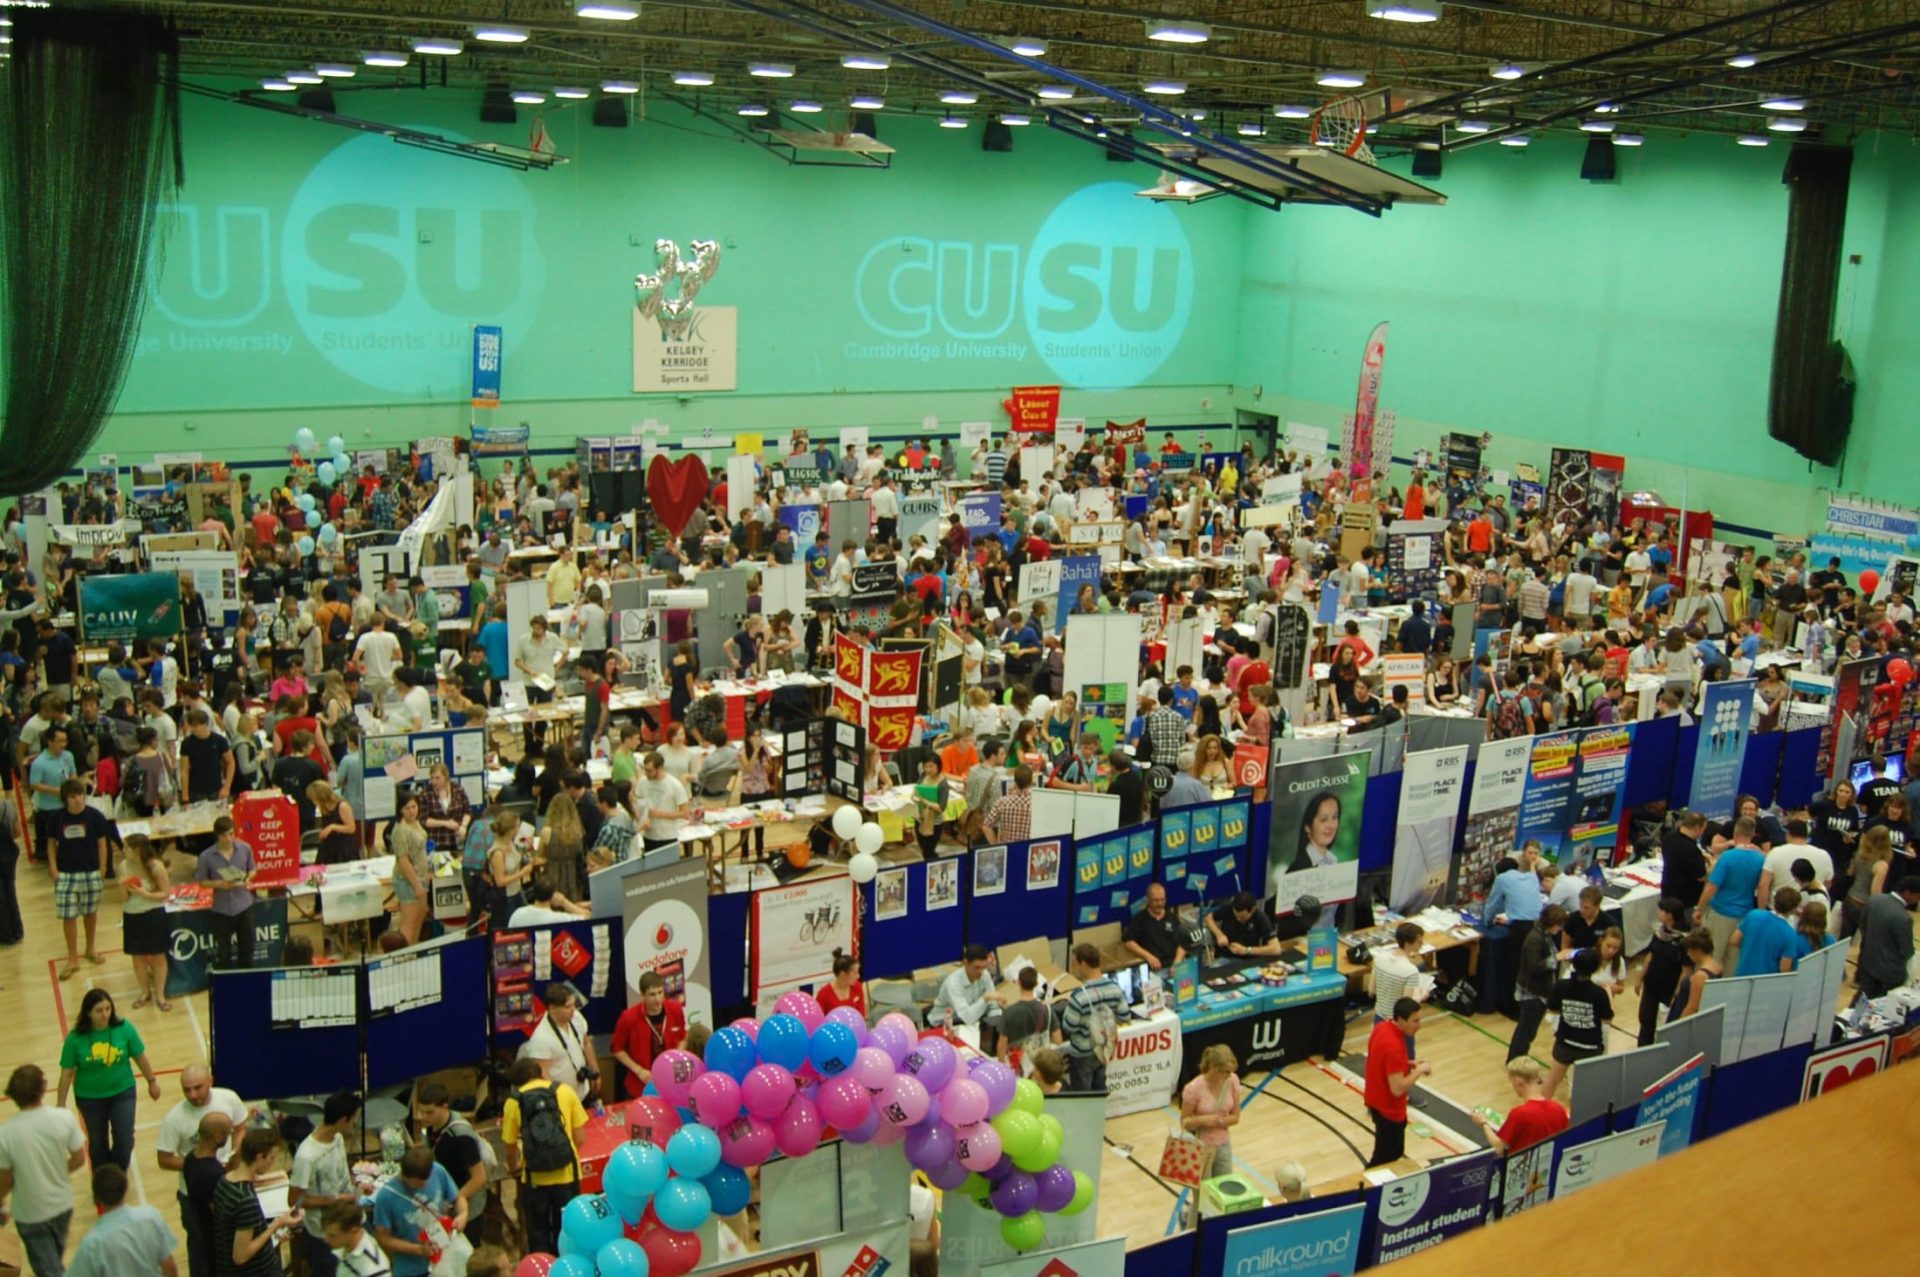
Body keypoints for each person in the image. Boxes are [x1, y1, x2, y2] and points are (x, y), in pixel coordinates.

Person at [157, 1066, 251, 1277]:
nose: (193, 1095)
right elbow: (164, 1159)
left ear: (210, 1081)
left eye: (198, 1088)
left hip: (227, 1187)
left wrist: (235, 1153)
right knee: (200, 1250)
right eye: (187, 1090)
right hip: (193, 1196)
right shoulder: (175, 1119)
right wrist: (200, 1166)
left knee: (228, 1245)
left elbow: (241, 1127)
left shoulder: (228, 1098)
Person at [57, 989, 160, 1171]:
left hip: (123, 1093)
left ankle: (117, 1175)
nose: (105, 1014)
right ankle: (102, 1178)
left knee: (125, 1138)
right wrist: (61, 1105)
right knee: (97, 1142)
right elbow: (66, 1073)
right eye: (99, 1010)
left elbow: (139, 1056)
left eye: (107, 1009)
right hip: (90, 1098)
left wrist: (152, 1081)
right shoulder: (74, 1039)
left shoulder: (124, 1028)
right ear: (88, 1013)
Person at [0, 1064, 88, 1277]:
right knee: (52, 1264)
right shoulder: (64, 1118)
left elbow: (6, 1179)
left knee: (49, 1270)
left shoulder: (6, 1134)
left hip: (30, 1215)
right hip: (62, 1206)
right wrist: (57, 1171)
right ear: (42, 1088)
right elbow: (79, 1158)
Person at [501, 1057, 588, 1258]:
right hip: (568, 1175)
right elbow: (580, 1137)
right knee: (567, 1231)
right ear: (539, 1073)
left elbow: (510, 1145)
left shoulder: (514, 1102)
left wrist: (514, 1166)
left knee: (537, 1232)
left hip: (534, 1178)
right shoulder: (565, 1091)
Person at [289, 1091, 362, 1277]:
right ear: (343, 1120)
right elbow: (295, 1200)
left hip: (347, 1222)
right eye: (354, 1119)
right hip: (323, 1234)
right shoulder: (307, 1156)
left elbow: (340, 1175)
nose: (355, 1123)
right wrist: (334, 1200)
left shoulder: (337, 1138)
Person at [47, 776, 112, 980]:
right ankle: (72, 958)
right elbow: (51, 844)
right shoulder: (57, 818)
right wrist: (53, 869)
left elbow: (103, 843)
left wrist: (102, 869)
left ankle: (90, 949)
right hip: (66, 874)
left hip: (90, 871)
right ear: (65, 799)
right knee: (69, 916)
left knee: (90, 913)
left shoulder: (95, 816)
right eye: (73, 796)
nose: (78, 799)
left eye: (80, 795)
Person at [409, 1083, 489, 1247]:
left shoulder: (461, 1136)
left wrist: (458, 1199)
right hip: (445, 1204)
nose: (424, 1117)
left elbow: (479, 1177)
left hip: (468, 1207)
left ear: (445, 1106)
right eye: (421, 1111)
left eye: (429, 1112)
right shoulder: (431, 1128)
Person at [216, 1127, 304, 1277]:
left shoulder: (225, 1180)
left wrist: (272, 1234)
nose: (273, 1162)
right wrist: (277, 1224)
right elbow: (241, 1256)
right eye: (271, 1157)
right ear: (259, 1157)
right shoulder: (245, 1200)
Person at [65, 1163, 177, 1277]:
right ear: (125, 1188)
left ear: (97, 1198)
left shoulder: (92, 1243)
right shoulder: (151, 1217)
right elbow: (169, 1266)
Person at [370, 1147, 465, 1277]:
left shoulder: (437, 1170)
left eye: (427, 1180)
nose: (425, 1185)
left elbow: (458, 1198)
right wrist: (418, 1250)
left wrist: (463, 1215)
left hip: (446, 1259)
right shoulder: (386, 1196)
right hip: (411, 1269)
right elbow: (383, 1238)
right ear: (405, 1175)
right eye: (418, 1184)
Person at [1178, 1045, 1242, 1223]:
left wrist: (1221, 1121)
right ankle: (1191, 1232)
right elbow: (1185, 1122)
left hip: (1223, 1145)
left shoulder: (1232, 1081)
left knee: (1223, 1192)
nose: (1227, 1076)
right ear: (1212, 1067)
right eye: (1223, 1072)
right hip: (1201, 1149)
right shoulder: (1194, 1088)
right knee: (1202, 1200)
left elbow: (1236, 1117)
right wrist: (1204, 1120)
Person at [1364, 998, 1429, 1167]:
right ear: (1401, 1019)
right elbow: (1398, 1089)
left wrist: (1407, 1064)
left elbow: (1380, 1060)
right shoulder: (1394, 1045)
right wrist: (1419, 1071)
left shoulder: (1381, 1028)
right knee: (1385, 1159)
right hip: (1389, 1110)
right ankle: (1367, 1190)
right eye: (1414, 1021)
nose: (1419, 1025)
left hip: (1375, 1100)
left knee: (1392, 1153)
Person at [1054, 943, 1127, 1095]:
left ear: (1084, 964)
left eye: (1076, 964)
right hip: (1104, 1049)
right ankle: (1099, 1118)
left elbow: (1069, 1026)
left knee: (1083, 1096)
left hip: (1082, 1053)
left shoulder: (1079, 996)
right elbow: (1124, 1016)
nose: (1076, 968)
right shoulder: (1115, 988)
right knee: (1100, 1090)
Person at [1543, 947, 1613, 1098]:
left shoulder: (1561, 985)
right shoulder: (1598, 993)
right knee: (1585, 1090)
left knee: (1551, 1082)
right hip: (1590, 1048)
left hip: (1565, 1043)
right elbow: (1607, 1019)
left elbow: (1552, 1009)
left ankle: (1537, 1113)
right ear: (1594, 969)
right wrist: (1608, 995)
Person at [1697, 816, 1767, 964]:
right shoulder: (1760, 859)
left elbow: (1711, 886)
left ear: (1735, 835)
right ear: (1753, 835)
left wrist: (1700, 909)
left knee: (1712, 958)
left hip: (1721, 913)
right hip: (1744, 916)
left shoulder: (1727, 857)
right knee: (1733, 961)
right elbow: (1761, 886)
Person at [610, 971, 688, 1100]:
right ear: (642, 995)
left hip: (671, 1081)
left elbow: (683, 1037)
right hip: (641, 1084)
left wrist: (677, 1056)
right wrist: (639, 1070)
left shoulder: (675, 1009)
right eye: (652, 995)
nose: (657, 999)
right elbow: (617, 1049)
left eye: (660, 992)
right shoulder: (628, 1017)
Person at [194, 815, 258, 969]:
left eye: (231, 834)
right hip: (221, 909)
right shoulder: (206, 856)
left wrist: (248, 878)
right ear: (217, 835)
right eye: (224, 835)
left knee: (247, 949)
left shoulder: (245, 848)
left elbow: (253, 868)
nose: (228, 839)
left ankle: (247, 982)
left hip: (244, 905)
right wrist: (219, 884)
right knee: (223, 953)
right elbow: (201, 881)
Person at [1473, 1058, 1569, 1155]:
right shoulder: (1558, 1109)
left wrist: (1483, 1123)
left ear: (1518, 1082)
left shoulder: (1519, 1114)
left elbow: (1499, 1147)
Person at [121, 835, 174, 1011]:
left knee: (158, 956)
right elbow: (122, 898)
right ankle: (144, 992)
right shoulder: (124, 866)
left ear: (137, 850)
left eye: (126, 847)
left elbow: (165, 893)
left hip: (153, 914)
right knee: (137, 958)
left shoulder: (156, 866)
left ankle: (160, 994)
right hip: (132, 914)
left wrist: (145, 894)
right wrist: (122, 888)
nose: (123, 850)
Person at [1507, 905, 1566, 1062]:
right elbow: (1534, 967)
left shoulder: (1544, 936)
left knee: (1527, 1030)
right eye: (1559, 925)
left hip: (1539, 991)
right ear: (1552, 922)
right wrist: (1556, 959)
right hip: (1531, 993)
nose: (1560, 929)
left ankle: (1517, 1059)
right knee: (1526, 1031)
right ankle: (1516, 1061)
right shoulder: (1535, 939)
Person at [523, 983, 600, 1102]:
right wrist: (559, 1098)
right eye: (567, 1007)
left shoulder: (576, 1018)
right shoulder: (541, 1038)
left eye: (574, 1005)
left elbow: (586, 1043)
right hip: (562, 1101)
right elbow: (543, 1074)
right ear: (552, 1008)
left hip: (583, 1092)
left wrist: (596, 1072)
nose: (573, 1010)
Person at [1635, 898, 1691, 1046]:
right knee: (1645, 1020)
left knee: (1665, 1025)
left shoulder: (1684, 940)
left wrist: (1677, 995)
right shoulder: (1659, 932)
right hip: (1652, 984)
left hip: (1669, 987)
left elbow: (1686, 970)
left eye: (1661, 910)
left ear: (1670, 915)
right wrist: (1640, 978)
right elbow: (1650, 955)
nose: (1657, 912)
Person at [1854, 875, 1920, 1000]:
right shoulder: (1904, 918)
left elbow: (1863, 925)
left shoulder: (1875, 900)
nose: (1917, 901)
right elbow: (1906, 951)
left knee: (1860, 1000)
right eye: (1917, 896)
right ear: (1907, 893)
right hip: (1889, 974)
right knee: (1882, 1009)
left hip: (1868, 962)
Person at [1728, 886, 1806, 976]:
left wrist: (1749, 947)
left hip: (1742, 975)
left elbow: (1734, 940)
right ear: (1793, 909)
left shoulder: (1753, 915)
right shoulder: (1790, 934)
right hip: (1766, 982)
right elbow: (1784, 968)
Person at [930, 944, 1003, 1041]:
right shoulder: (953, 983)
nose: (981, 972)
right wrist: (985, 998)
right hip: (944, 1024)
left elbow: (993, 1007)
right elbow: (968, 1018)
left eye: (984, 967)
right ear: (965, 963)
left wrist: (996, 1025)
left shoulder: (985, 975)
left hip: (970, 1021)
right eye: (976, 967)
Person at [388, 792, 431, 946]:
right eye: (407, 808)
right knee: (410, 922)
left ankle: (414, 951)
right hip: (407, 881)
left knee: (420, 918)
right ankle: (404, 954)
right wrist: (417, 886)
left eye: (414, 807)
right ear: (400, 810)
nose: (412, 811)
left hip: (421, 876)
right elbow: (404, 861)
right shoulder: (400, 830)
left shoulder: (416, 823)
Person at [1370, 922, 1429, 1026]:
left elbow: (1372, 990)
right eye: (1419, 942)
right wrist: (1422, 996)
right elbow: (1406, 1007)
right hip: (1397, 1023)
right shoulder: (1410, 971)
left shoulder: (1380, 957)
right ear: (1407, 944)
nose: (1422, 943)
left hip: (1379, 1018)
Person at [1122, 882, 1185, 971]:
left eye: (1162, 900)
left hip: (1174, 966)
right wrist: (1148, 956)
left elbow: (1183, 942)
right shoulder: (1139, 919)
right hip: (1152, 968)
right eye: (1156, 900)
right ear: (1148, 899)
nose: (1159, 903)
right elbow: (1128, 942)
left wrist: (1177, 962)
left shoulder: (1172, 917)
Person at [319, 1202, 393, 1277]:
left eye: (333, 1235)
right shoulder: (348, 1245)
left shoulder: (374, 1270)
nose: (326, 1239)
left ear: (354, 1230)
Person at [1667, 927, 1722, 1023]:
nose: (1688, 954)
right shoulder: (1717, 966)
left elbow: (1692, 1007)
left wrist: (1677, 1026)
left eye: (1689, 950)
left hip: (1684, 1017)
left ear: (1697, 950)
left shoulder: (1701, 976)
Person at [1206, 891, 1282, 958]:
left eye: (1242, 917)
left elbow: (1276, 949)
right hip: (1224, 956)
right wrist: (1219, 934)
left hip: (1247, 959)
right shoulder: (1229, 907)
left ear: (1252, 910)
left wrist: (1246, 950)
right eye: (1236, 916)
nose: (1238, 919)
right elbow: (1208, 918)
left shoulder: (1261, 918)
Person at [816, 951, 867, 1019]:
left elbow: (861, 1016)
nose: (858, 976)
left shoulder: (857, 987)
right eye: (855, 973)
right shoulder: (824, 994)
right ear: (843, 974)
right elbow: (818, 1020)